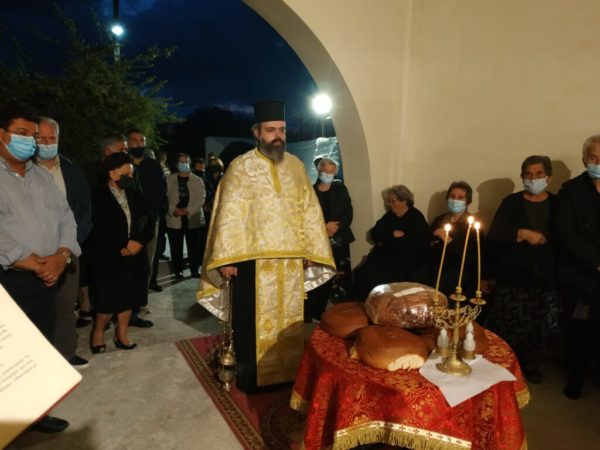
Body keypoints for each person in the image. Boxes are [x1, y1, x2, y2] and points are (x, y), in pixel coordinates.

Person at [197, 100, 335, 394]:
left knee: (291, 321)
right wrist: (226, 259)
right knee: (251, 321)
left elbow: (309, 209)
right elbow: (229, 213)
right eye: (271, 130)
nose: (278, 136)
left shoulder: (296, 166)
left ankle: (288, 376)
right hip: (251, 260)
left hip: (290, 261)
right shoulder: (241, 167)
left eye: (282, 130)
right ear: (257, 132)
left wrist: (311, 250)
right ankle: (252, 379)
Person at [0, 103, 80, 433]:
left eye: (33, 136)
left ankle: (36, 414)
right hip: (10, 281)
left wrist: (62, 255)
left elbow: (66, 217)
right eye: (21, 134)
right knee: (10, 358)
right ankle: (9, 422)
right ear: (1, 135)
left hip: (49, 277)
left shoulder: (41, 176)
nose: (30, 142)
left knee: (40, 348)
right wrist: (29, 261)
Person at [486, 155, 558, 384]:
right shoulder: (511, 203)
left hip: (544, 277)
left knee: (538, 327)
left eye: (538, 174)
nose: (533, 178)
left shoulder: (558, 204)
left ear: (548, 177)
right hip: (513, 277)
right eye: (528, 174)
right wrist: (521, 233)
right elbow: (495, 235)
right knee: (507, 325)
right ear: (522, 177)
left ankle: (529, 363)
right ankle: (503, 363)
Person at [36, 116, 92, 369]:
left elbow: (84, 210)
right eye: (42, 139)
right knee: (37, 307)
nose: (47, 143)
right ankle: (40, 360)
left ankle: (67, 353)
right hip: (35, 254)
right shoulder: (21, 169)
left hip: (69, 250)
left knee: (66, 304)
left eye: (52, 138)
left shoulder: (72, 170)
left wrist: (70, 246)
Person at [88, 152, 154, 353]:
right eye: (127, 173)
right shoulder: (96, 196)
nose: (130, 178)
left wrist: (138, 242)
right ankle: (98, 332)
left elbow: (148, 220)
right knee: (107, 301)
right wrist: (120, 246)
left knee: (129, 298)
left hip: (135, 256)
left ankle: (122, 334)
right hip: (109, 258)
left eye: (131, 174)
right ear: (113, 173)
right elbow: (95, 228)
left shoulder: (135, 194)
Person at [558, 136, 600, 399]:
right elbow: (567, 235)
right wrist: (596, 262)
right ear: (585, 159)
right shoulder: (571, 191)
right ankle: (575, 378)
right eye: (593, 157)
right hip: (581, 274)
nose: (598, 163)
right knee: (578, 329)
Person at [354, 185, 431, 300]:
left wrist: (386, 239)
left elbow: (411, 243)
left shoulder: (416, 217)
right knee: (363, 271)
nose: (390, 204)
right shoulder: (390, 216)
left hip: (406, 259)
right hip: (385, 255)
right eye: (388, 201)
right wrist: (392, 234)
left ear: (404, 200)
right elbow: (374, 233)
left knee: (385, 277)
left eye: (393, 201)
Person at [304, 158, 354, 322]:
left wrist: (337, 226)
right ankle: (311, 311)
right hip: (317, 239)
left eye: (332, 172)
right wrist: (322, 229)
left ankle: (326, 312)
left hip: (337, 238)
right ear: (319, 172)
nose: (329, 175)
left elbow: (348, 212)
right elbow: (306, 215)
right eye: (326, 172)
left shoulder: (340, 189)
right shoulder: (311, 192)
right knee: (316, 275)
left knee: (332, 276)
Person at [127, 128, 167, 296]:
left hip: (150, 220)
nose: (138, 144)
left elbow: (161, 192)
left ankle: (141, 299)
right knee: (127, 262)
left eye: (141, 141)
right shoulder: (121, 164)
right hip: (127, 221)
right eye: (134, 141)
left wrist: (153, 214)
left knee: (147, 261)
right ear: (127, 143)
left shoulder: (154, 166)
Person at [429, 181, 481, 298]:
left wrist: (447, 239)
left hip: (459, 279)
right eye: (452, 196)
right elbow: (428, 246)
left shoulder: (472, 225)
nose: (455, 200)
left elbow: (471, 257)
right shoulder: (439, 220)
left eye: (460, 197)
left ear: (467, 202)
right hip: (435, 274)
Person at [166, 153, 206, 278]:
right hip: (175, 217)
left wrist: (188, 210)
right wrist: (173, 209)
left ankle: (195, 269)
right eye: (181, 162)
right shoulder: (169, 179)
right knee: (175, 247)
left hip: (193, 217)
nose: (184, 164)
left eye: (186, 162)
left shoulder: (197, 179)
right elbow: (164, 197)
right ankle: (178, 270)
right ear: (176, 164)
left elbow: (201, 198)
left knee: (194, 246)